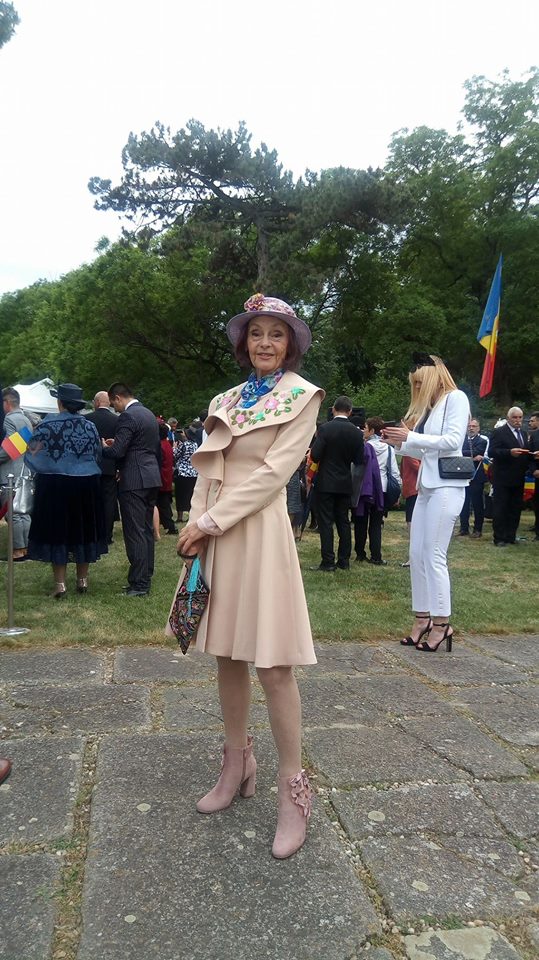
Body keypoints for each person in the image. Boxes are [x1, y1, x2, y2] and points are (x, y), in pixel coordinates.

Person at [170, 293, 324, 859]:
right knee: (226, 655)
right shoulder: (226, 400)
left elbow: (273, 474)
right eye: (256, 333)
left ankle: (293, 791)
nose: (265, 342)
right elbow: (207, 473)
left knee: (273, 665)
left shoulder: (304, 397)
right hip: (215, 535)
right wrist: (194, 527)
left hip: (259, 534)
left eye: (275, 334)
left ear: (290, 344)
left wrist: (209, 522)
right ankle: (236, 763)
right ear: (243, 341)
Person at [383, 353, 470, 653]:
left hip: (447, 487)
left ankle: (442, 623)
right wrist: (400, 443)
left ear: (433, 377)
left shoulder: (456, 399)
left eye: (420, 382)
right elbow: (427, 452)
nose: (417, 388)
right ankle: (422, 618)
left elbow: (452, 442)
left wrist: (411, 438)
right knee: (417, 554)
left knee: (434, 554)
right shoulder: (432, 409)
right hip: (429, 486)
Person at [25, 383, 107, 597]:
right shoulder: (90, 427)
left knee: (57, 532)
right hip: (86, 485)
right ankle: (82, 580)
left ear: (59, 402)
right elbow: (97, 454)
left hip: (55, 485)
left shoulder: (46, 425)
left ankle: (60, 585)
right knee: (83, 530)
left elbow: (32, 454)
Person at [102, 383, 162, 597]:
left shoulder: (127, 417)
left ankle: (139, 584)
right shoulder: (148, 414)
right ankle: (145, 575)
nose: (114, 409)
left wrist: (104, 447)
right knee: (145, 530)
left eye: (113, 404)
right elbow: (143, 446)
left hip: (134, 480)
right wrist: (118, 443)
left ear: (118, 397)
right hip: (151, 476)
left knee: (134, 531)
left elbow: (118, 452)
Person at [309, 396, 364, 571]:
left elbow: (315, 455)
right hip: (344, 482)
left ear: (333, 409)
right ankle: (344, 560)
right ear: (350, 411)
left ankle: (328, 561)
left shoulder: (325, 428)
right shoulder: (357, 433)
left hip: (326, 481)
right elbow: (359, 460)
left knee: (326, 522)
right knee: (343, 521)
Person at [355, 416, 402, 566]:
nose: (363, 430)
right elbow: (394, 471)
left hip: (366, 487)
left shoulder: (365, 446)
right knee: (376, 523)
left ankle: (360, 553)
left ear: (372, 430)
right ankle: (376, 555)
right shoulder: (388, 448)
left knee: (361, 521)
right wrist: (398, 489)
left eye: (366, 427)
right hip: (382, 487)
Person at [488, 406, 530, 547]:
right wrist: (509, 452)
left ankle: (511, 536)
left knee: (515, 508)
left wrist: (532, 455)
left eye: (520, 417)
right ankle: (499, 538)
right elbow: (492, 452)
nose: (518, 420)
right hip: (502, 477)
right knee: (501, 508)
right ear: (508, 418)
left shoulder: (523, 433)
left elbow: (525, 452)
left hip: (519, 477)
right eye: (514, 417)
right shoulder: (499, 432)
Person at [0, 387, 34, 560]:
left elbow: (9, 450)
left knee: (13, 514)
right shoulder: (26, 419)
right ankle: (26, 548)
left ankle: (18, 551)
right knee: (23, 512)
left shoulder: (9, 419)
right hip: (24, 471)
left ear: (6, 403)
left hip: (10, 473)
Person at [85, 391, 119, 545]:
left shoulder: (87, 419)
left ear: (97, 402)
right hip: (110, 465)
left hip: (91, 466)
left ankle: (92, 533)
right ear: (109, 402)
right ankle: (107, 535)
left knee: (91, 501)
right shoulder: (116, 420)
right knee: (109, 501)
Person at [457, 418, 488, 538]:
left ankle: (477, 529)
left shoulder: (482, 441)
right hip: (463, 475)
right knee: (463, 502)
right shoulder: (461, 440)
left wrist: (466, 455)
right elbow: (459, 452)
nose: (471, 428)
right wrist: (472, 457)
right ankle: (464, 528)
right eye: (469, 426)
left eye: (474, 426)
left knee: (477, 503)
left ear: (478, 428)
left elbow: (477, 451)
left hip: (476, 476)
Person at [173, 426, 198, 522]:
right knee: (191, 495)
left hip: (183, 473)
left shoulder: (183, 445)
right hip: (193, 472)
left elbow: (175, 455)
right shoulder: (195, 444)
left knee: (180, 495)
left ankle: (180, 517)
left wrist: (174, 447)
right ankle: (191, 515)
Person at [156, 420, 177, 535]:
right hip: (167, 477)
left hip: (161, 478)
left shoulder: (160, 445)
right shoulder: (167, 444)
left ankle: (170, 526)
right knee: (164, 503)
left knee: (163, 504)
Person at [399, 454, 421, 566]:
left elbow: (419, 469)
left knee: (412, 524)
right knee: (412, 524)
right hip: (413, 490)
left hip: (414, 490)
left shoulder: (410, 453)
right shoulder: (411, 454)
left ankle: (414, 558)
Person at [528, 411, 539, 541]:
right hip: (537, 474)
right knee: (537, 504)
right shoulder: (534, 435)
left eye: (533, 420)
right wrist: (534, 469)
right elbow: (530, 456)